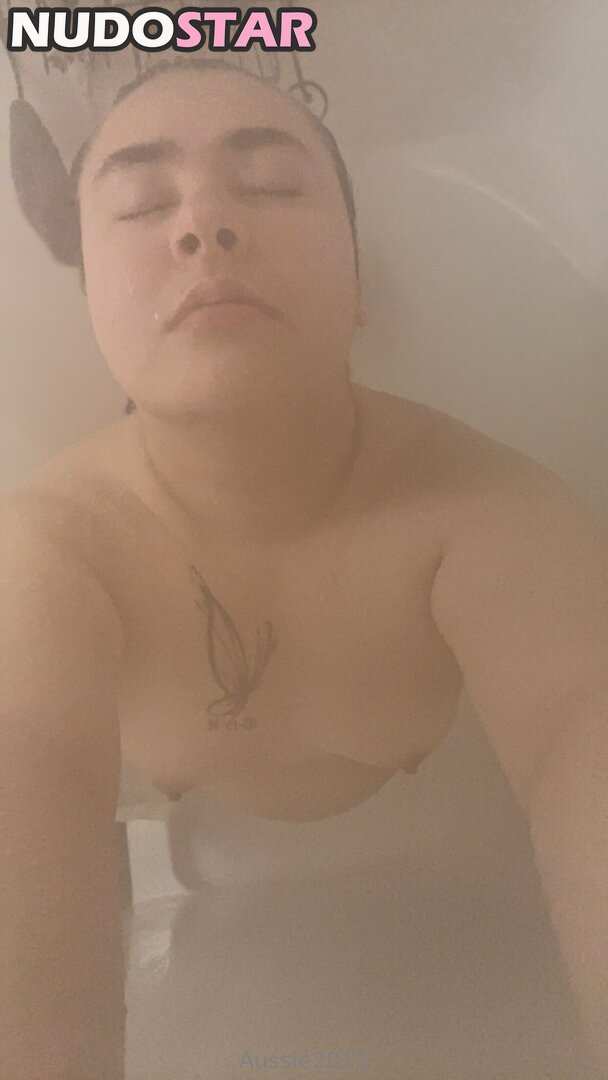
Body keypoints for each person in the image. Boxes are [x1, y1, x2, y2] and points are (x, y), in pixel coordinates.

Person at [2, 58, 607, 1080]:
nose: (203, 225)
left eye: (272, 186)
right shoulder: (46, 558)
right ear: (90, 295)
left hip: (457, 929)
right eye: (143, 204)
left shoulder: (494, 517)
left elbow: (582, 744)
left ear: (358, 282)